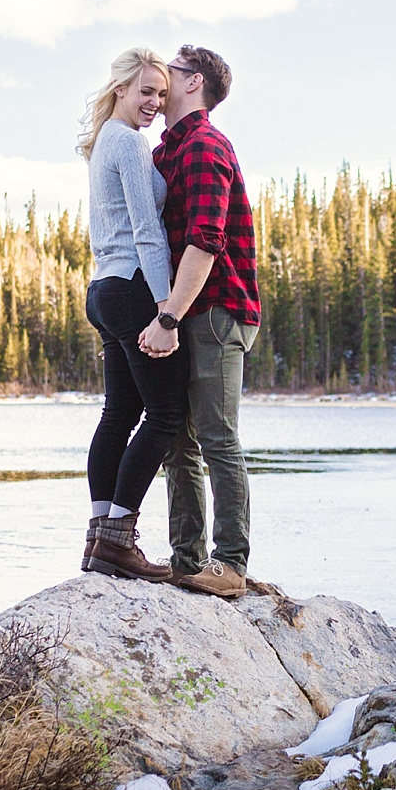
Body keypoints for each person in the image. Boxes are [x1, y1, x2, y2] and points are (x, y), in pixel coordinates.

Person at [140, 44, 260, 599]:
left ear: (193, 84)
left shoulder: (206, 146)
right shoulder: (169, 149)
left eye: (172, 70)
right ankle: (186, 560)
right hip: (185, 312)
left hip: (213, 311)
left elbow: (206, 242)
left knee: (216, 436)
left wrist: (168, 316)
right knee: (177, 438)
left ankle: (230, 563)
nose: (162, 77)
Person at [76, 46, 187, 581]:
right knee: (165, 415)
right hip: (133, 289)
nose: (154, 102)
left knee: (119, 413)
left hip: (103, 288)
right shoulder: (129, 142)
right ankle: (119, 542)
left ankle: (99, 538)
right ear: (120, 87)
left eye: (162, 94)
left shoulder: (104, 142)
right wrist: (166, 308)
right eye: (146, 91)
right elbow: (147, 230)